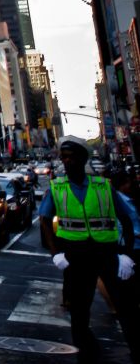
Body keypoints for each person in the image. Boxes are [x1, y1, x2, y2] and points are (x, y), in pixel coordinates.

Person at [39, 136, 139, 361]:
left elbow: (127, 218)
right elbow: (44, 219)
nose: (65, 162)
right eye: (63, 157)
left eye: (70, 157)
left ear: (82, 158)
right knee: (79, 312)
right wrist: (57, 254)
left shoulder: (104, 187)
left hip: (107, 254)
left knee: (127, 308)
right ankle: (89, 355)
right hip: (76, 256)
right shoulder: (58, 188)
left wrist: (126, 255)